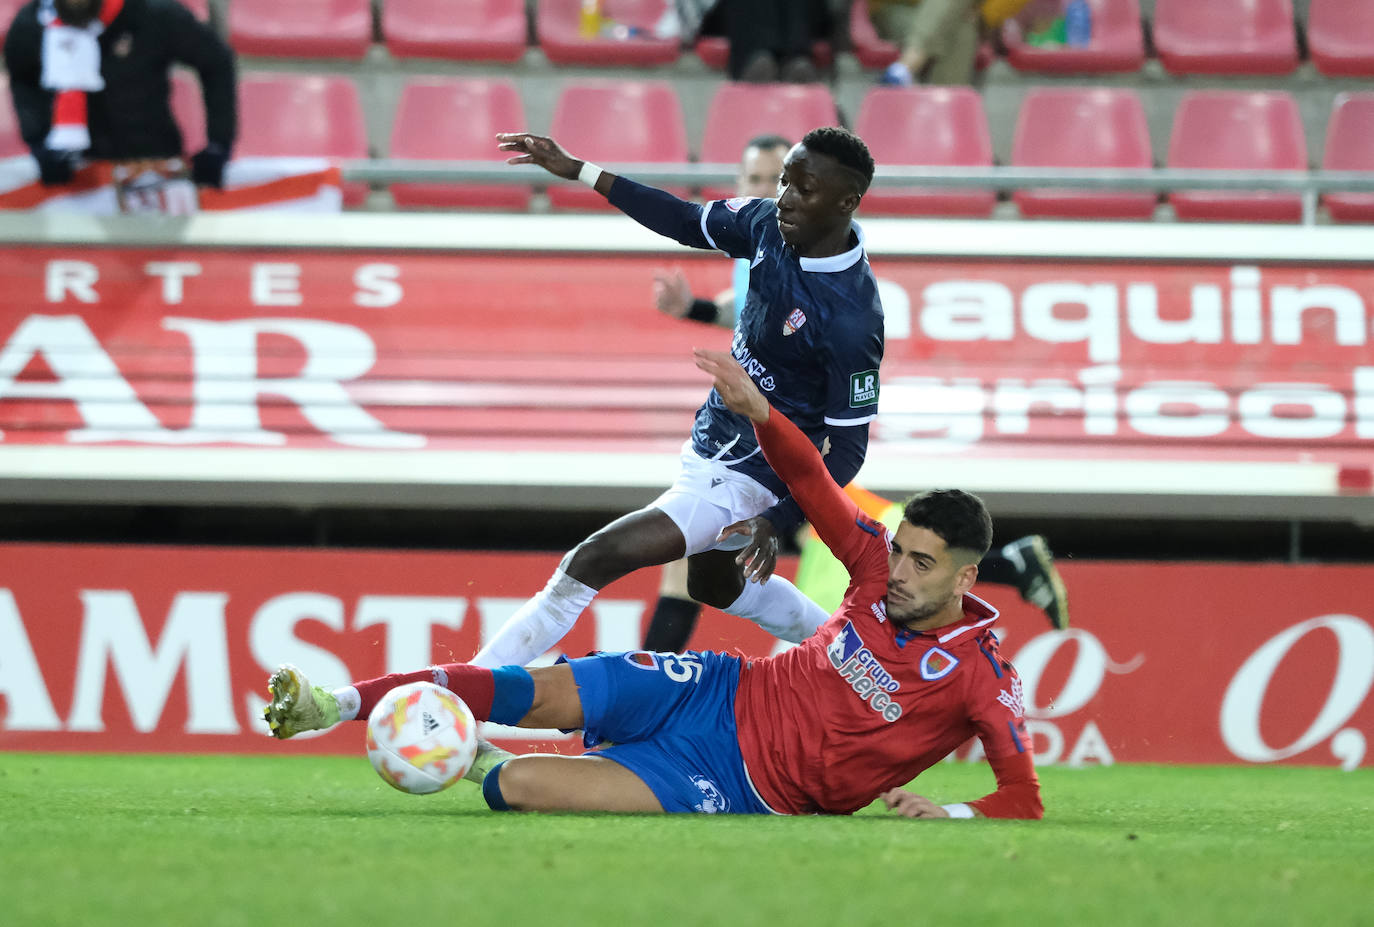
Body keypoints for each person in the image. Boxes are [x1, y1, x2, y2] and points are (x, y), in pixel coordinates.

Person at [263, 349, 1043, 820]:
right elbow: (810, 480)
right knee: (521, 689)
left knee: (516, 789)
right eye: (901, 552)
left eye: (923, 563)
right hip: (712, 688)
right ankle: (333, 702)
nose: (898, 572)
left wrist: (946, 810)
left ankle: (471, 758)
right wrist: (762, 414)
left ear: (968, 576)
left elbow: (1022, 796)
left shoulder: (980, 676)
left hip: (740, 779)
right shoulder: (873, 564)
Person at [471, 126, 883, 670]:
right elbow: (685, 220)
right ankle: (851, 652)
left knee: (590, 561)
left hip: (756, 475)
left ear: (847, 201)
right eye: (784, 182)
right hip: (714, 443)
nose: (783, 198)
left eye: (803, 189)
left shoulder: (853, 319)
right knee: (716, 587)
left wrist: (777, 518)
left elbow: (849, 447)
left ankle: (461, 694)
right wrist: (580, 171)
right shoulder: (766, 224)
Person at [642, 133, 791, 654]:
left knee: (871, 556)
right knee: (685, 564)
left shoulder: (807, 253)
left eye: (778, 179)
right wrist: (696, 310)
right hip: (752, 433)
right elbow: (743, 305)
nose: (767, 191)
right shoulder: (756, 242)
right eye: (755, 180)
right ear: (739, 187)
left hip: (791, 437)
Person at [4, 0, 236, 204]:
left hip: (154, 166)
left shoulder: (151, 11)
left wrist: (218, 144)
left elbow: (216, 62)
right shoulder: (32, 24)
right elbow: (23, 79)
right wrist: (39, 142)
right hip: (76, 180)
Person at [871, 0, 1032, 86]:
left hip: (961, 21)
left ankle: (906, 65)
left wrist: (983, 15)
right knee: (963, 29)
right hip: (899, 12)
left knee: (964, 30)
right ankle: (943, 123)